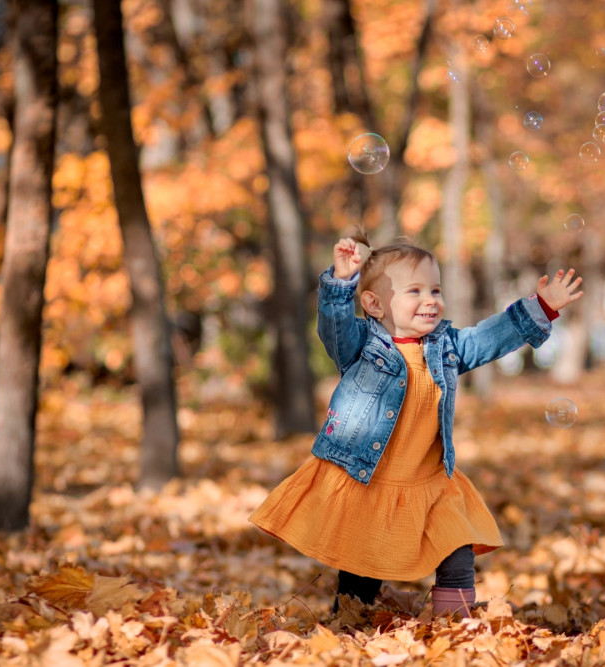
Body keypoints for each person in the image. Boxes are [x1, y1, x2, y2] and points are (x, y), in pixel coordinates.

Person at [249, 233, 583, 619]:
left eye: (435, 290)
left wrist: (541, 307)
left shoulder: (446, 347)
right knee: (362, 572)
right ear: (374, 304)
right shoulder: (361, 346)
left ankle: (455, 626)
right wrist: (341, 282)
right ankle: (349, 622)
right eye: (415, 291)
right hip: (369, 481)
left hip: (430, 482)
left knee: (457, 549)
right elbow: (334, 325)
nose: (431, 300)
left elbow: (489, 338)